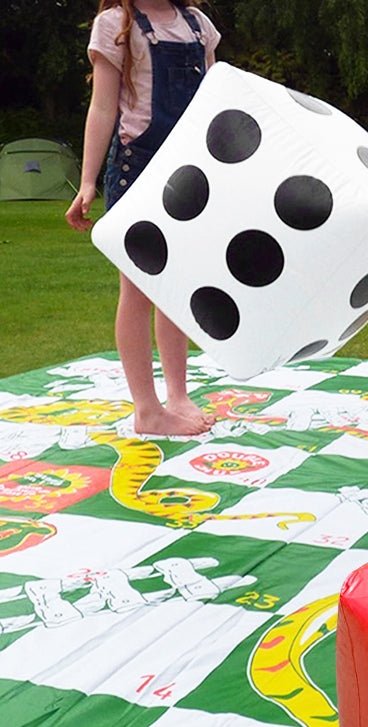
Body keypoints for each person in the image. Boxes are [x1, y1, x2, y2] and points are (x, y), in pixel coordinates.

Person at [66, 0, 220, 436]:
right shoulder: (115, 25)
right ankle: (147, 409)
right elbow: (102, 108)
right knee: (138, 288)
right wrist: (88, 180)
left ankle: (179, 395)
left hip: (191, 171)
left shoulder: (198, 26)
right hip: (137, 170)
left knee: (177, 285)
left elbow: (214, 103)